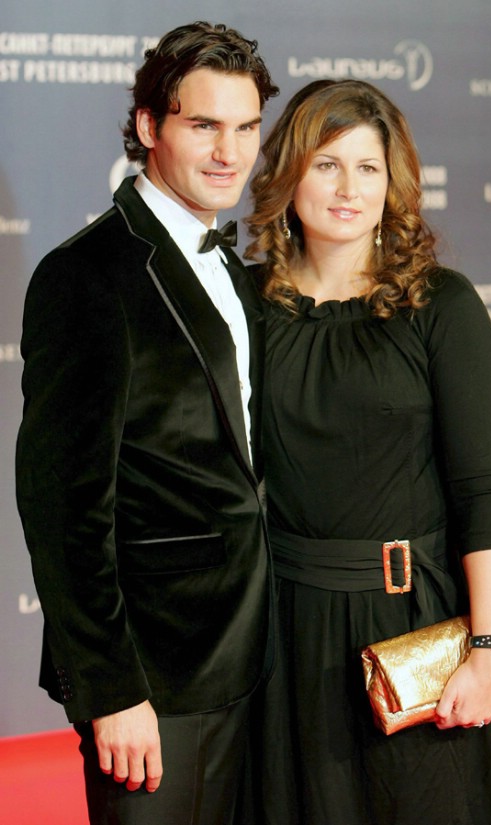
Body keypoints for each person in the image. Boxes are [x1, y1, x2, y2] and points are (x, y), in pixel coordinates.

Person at [15, 22, 278, 825]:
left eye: (246, 127)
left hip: (255, 653)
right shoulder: (86, 276)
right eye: (205, 125)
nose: (230, 152)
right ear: (148, 126)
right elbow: (63, 508)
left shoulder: (232, 263)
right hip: (155, 679)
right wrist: (112, 689)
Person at [245, 79, 491, 825]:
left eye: (368, 168)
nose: (348, 189)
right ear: (290, 173)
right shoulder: (246, 305)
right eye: (327, 164)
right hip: (283, 629)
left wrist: (490, 647)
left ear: (392, 183)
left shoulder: (441, 305)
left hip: (410, 623)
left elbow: (480, 493)